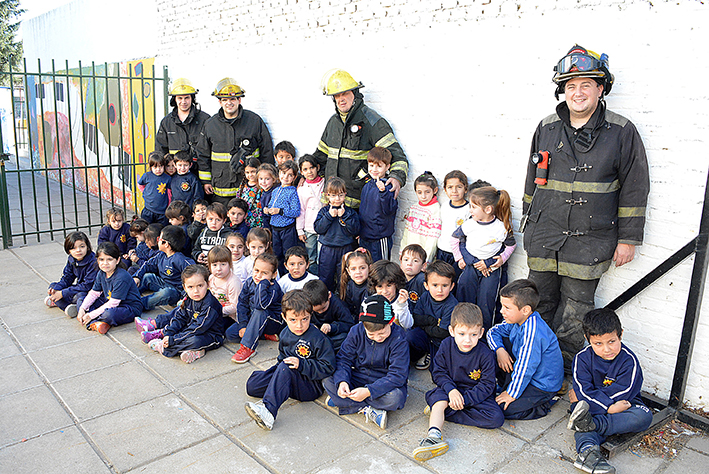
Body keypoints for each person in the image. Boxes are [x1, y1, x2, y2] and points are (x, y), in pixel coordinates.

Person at [522, 45, 650, 371]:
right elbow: (531, 180)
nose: (577, 93)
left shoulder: (622, 131)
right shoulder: (547, 127)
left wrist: (628, 239)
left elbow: (635, 185)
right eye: (570, 86)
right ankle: (530, 363)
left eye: (585, 85)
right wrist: (527, 223)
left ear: (600, 89)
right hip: (545, 233)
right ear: (562, 91)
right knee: (537, 302)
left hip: (591, 240)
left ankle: (559, 372)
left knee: (576, 307)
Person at [413, 303, 504, 461]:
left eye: (473, 335)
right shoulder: (446, 345)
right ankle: (433, 437)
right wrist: (451, 391)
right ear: (452, 331)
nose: (467, 340)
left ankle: (442, 411)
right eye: (462, 334)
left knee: (496, 418)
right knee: (438, 397)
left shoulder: (486, 354)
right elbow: (439, 372)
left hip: (474, 394)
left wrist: (465, 400)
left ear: (481, 332)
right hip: (450, 390)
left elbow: (487, 385)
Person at [567, 308, 653, 474]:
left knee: (644, 415)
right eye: (598, 344)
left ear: (620, 335)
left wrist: (605, 407)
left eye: (611, 342)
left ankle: (590, 427)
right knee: (583, 409)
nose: (606, 349)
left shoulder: (629, 361)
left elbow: (625, 390)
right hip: (591, 404)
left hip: (623, 403)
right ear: (587, 339)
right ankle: (589, 454)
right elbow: (583, 390)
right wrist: (607, 407)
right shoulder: (582, 358)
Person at [313, 69, 408, 209]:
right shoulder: (333, 123)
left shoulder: (371, 121)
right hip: (331, 201)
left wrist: (396, 177)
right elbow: (320, 156)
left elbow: (397, 155)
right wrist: (304, 175)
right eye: (337, 95)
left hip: (358, 205)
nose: (341, 99)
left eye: (345, 93)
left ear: (355, 94)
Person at [244, 290, 336, 430]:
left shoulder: (318, 338)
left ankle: (269, 411)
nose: (299, 325)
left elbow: (328, 367)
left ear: (311, 316)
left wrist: (302, 364)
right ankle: (280, 389)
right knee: (253, 385)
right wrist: (276, 375)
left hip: (309, 387)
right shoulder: (285, 334)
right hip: (290, 377)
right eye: (293, 320)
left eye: (304, 319)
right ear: (284, 317)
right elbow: (281, 359)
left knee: (285, 367)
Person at [322, 294, 410, 429]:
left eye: (381, 333)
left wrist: (369, 391)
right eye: (371, 334)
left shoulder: (399, 338)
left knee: (396, 397)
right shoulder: (356, 331)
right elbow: (344, 358)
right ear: (363, 325)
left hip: (383, 381)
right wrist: (342, 382)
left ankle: (346, 402)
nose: (377, 338)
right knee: (327, 378)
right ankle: (368, 408)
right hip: (359, 376)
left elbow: (398, 375)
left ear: (391, 322)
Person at [486, 279, 564, 420]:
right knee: (499, 343)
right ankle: (505, 385)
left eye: (507, 308)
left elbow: (526, 366)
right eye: (502, 306)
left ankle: (545, 403)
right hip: (526, 374)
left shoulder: (533, 331)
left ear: (525, 310)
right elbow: (492, 332)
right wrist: (500, 351)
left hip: (541, 385)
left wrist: (512, 394)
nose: (501, 311)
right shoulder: (516, 320)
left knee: (503, 409)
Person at [196, 77, 274, 205]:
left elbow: (267, 151)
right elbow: (203, 155)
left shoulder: (254, 121)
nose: (229, 103)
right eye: (224, 100)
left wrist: (267, 179)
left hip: (250, 188)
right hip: (221, 188)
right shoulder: (210, 125)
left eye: (232, 99)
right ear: (220, 102)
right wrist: (206, 181)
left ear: (239, 100)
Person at [451, 186, 516, 330]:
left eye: (474, 207)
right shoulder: (469, 224)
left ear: (488, 210)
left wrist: (499, 260)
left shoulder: (501, 228)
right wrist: (460, 259)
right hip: (470, 268)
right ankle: (462, 330)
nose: (470, 210)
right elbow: (455, 239)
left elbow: (510, 246)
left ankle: (484, 336)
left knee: (486, 304)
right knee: (465, 300)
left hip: (490, 271)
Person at [145, 265, 225, 364]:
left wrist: (173, 340)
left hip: (211, 336)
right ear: (185, 287)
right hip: (191, 330)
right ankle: (195, 352)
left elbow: (198, 328)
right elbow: (179, 318)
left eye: (200, 286)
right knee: (181, 331)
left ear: (207, 284)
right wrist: (169, 333)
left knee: (195, 341)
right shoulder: (188, 299)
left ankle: (165, 347)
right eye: (190, 287)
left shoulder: (210, 305)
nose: (195, 291)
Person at [229, 253, 284, 363]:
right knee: (231, 334)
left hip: (273, 322)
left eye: (264, 273)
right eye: (256, 270)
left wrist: (262, 285)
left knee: (260, 311)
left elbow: (261, 305)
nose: (258, 275)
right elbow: (242, 304)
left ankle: (248, 348)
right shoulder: (249, 282)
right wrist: (243, 325)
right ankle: (264, 335)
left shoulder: (273, 288)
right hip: (255, 319)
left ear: (274, 275)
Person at [77, 242, 143, 334]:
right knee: (81, 300)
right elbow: (94, 293)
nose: (105, 263)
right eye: (101, 259)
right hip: (108, 301)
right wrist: (82, 309)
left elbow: (113, 303)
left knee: (109, 314)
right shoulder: (101, 272)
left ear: (117, 260)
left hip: (127, 308)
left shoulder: (121, 277)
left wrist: (91, 315)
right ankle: (97, 323)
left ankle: (93, 322)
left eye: (109, 259)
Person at [408, 260, 459, 370]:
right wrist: (432, 321)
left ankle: (431, 355)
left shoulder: (451, 305)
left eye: (444, 285)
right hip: (426, 335)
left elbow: (443, 332)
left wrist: (424, 325)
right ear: (426, 285)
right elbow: (416, 318)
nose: (439, 290)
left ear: (451, 286)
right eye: (435, 285)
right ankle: (421, 354)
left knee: (437, 370)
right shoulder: (425, 296)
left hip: (440, 342)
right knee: (410, 337)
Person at [314, 177, 361, 292]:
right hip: (328, 250)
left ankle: (343, 302)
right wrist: (329, 216)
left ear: (345, 194)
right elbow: (318, 229)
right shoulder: (324, 212)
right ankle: (325, 302)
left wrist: (344, 216)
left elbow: (356, 230)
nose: (337, 199)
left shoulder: (350, 212)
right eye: (333, 195)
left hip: (345, 249)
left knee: (344, 279)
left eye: (340, 195)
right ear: (327, 196)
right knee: (325, 278)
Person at [133, 225, 195, 310]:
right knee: (148, 277)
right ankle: (127, 295)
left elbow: (194, 272)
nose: (157, 241)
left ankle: (138, 304)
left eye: (159, 239)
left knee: (166, 292)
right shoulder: (161, 255)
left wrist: (185, 298)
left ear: (166, 244)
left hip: (176, 293)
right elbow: (147, 265)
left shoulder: (179, 259)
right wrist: (137, 277)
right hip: (163, 283)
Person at [155, 78, 210, 171]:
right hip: (175, 175)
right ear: (174, 100)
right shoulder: (166, 122)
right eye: (180, 98)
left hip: (198, 173)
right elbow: (160, 150)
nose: (183, 102)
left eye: (187, 98)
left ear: (192, 98)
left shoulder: (205, 120)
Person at [358, 147, 399, 262]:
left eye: (379, 166)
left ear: (387, 167)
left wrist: (383, 192)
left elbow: (389, 209)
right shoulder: (367, 185)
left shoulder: (389, 187)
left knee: (381, 269)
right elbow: (363, 211)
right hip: (364, 237)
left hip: (379, 239)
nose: (374, 169)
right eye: (371, 165)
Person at [45, 231, 98, 318]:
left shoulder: (93, 262)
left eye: (82, 246)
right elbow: (67, 278)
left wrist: (62, 293)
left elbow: (87, 286)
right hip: (78, 288)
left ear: (87, 247)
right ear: (69, 251)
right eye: (73, 248)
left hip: (89, 292)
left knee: (80, 297)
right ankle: (66, 305)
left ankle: (62, 303)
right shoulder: (72, 259)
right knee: (53, 285)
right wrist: (56, 290)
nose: (78, 250)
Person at [264, 160, 302, 271]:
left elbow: (296, 212)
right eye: (283, 173)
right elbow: (271, 204)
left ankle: (289, 274)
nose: (285, 177)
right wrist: (267, 210)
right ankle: (279, 274)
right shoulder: (275, 190)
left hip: (287, 228)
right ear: (279, 173)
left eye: (290, 175)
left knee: (288, 254)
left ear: (294, 177)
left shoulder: (293, 191)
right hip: (275, 228)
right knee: (276, 254)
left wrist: (280, 211)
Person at [303, 279, 355, 353]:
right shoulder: (306, 307)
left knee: (345, 338)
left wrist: (332, 327)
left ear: (329, 295)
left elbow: (349, 324)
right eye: (316, 311)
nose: (320, 312)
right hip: (315, 337)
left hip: (333, 337)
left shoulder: (338, 305)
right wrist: (310, 326)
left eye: (323, 308)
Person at [400, 172, 442, 263]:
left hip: (422, 257)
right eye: (419, 192)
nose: (423, 196)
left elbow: (433, 238)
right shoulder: (414, 208)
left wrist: (427, 259)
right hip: (409, 254)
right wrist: (402, 251)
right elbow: (406, 232)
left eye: (427, 192)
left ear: (435, 190)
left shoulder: (435, 210)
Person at [437, 170, 470, 280]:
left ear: (465, 189)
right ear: (445, 190)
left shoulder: (469, 209)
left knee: (454, 281)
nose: (454, 191)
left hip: (458, 254)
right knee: (441, 279)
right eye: (450, 187)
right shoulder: (445, 206)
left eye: (459, 187)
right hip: (442, 250)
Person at [296, 154, 324, 275]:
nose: (309, 171)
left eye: (312, 167)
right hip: (309, 229)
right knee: (311, 258)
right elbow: (301, 210)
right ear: (301, 172)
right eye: (305, 169)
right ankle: (313, 281)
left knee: (323, 257)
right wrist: (300, 230)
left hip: (325, 228)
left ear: (317, 167)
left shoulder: (325, 183)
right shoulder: (302, 188)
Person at [368, 260, 412, 329]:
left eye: (389, 286)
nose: (385, 291)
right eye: (380, 286)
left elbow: (408, 325)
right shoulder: (371, 302)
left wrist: (402, 306)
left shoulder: (402, 300)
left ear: (397, 284)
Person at [206, 245, 241, 322]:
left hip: (229, 317)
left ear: (230, 264)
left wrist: (216, 310)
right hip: (212, 312)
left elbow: (235, 307)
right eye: (214, 265)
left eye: (223, 264)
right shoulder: (211, 278)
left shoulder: (233, 282)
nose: (219, 269)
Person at [138, 151, 171, 225]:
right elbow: (140, 184)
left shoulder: (167, 178)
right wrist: (145, 192)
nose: (158, 169)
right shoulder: (147, 176)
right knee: (146, 228)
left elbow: (169, 194)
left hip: (162, 212)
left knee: (160, 229)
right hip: (148, 210)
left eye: (161, 166)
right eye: (155, 167)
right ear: (150, 167)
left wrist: (168, 206)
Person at [339, 248, 372, 319]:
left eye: (362, 268)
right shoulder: (348, 285)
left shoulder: (372, 286)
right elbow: (348, 308)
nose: (358, 272)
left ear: (369, 268)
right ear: (348, 271)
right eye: (353, 269)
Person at [236, 157, 265, 229]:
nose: (250, 175)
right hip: (245, 221)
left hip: (258, 221)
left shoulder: (262, 185)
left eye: (253, 172)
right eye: (247, 172)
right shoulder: (243, 185)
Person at [400, 244, 427, 314]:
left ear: (423, 266)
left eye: (415, 261)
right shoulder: (397, 277)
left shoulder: (422, 280)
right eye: (406, 260)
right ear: (401, 262)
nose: (409, 263)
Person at [257, 163, 279, 229]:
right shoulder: (262, 192)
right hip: (267, 224)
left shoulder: (276, 191)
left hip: (276, 225)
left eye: (267, 179)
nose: (263, 182)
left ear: (274, 179)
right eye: (261, 178)